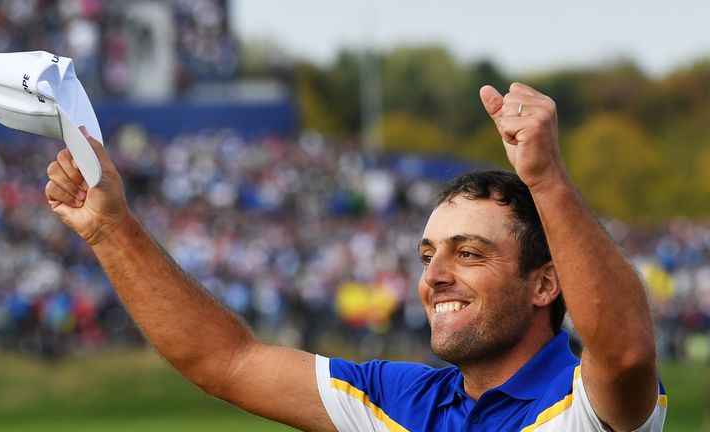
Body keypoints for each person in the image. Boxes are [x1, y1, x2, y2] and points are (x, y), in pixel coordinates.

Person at [44, 83, 667, 431]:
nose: (435, 276)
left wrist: (548, 181)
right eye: (427, 254)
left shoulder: (590, 404)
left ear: (544, 285)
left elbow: (627, 349)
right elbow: (226, 360)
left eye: (468, 253)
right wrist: (110, 230)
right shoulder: (397, 401)